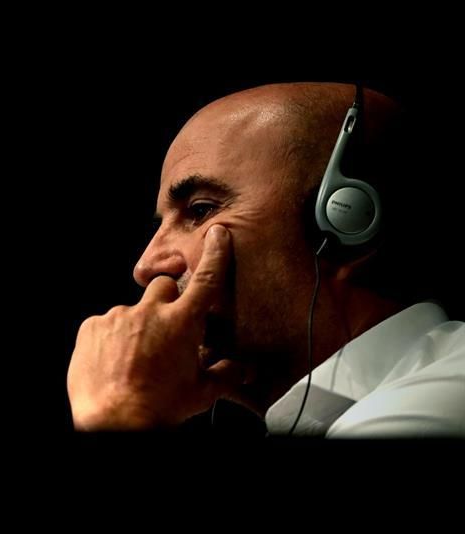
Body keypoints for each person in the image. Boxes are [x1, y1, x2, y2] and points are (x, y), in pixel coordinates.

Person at [66, 82, 465, 437]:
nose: (147, 265)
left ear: (343, 221)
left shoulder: (435, 403)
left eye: (201, 210)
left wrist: (119, 411)